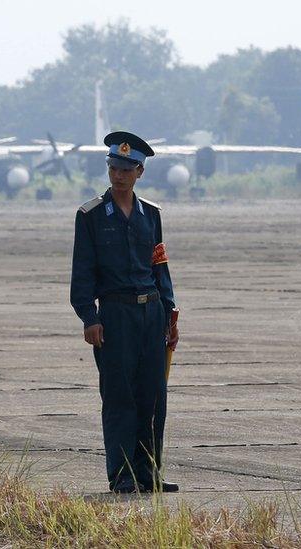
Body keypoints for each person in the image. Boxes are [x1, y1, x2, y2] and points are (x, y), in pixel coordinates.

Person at [70, 131, 180, 493]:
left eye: (126, 169)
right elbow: (82, 272)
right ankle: (122, 477)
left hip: (151, 316)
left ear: (140, 173)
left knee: (153, 398)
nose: (118, 174)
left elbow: (159, 266)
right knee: (120, 397)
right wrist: (90, 317)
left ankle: (149, 474)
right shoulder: (89, 216)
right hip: (114, 316)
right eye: (113, 167)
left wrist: (170, 313)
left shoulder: (152, 214)